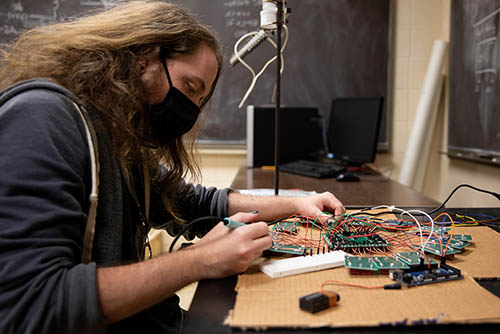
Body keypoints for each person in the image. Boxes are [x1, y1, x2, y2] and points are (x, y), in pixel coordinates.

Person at [0, 1, 345, 333]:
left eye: (199, 100)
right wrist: (202, 259)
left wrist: (299, 203)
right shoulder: (43, 118)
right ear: (143, 61)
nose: (190, 111)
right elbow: (31, 304)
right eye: (189, 88)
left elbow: (191, 201)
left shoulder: (113, 136)